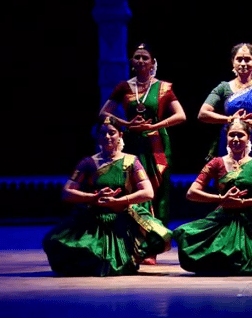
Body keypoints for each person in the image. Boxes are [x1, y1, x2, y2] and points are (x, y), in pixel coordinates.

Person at [42, 116, 172, 276]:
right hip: (94, 218)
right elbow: (66, 192)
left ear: (120, 135)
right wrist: (93, 198)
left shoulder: (131, 161)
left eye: (111, 132)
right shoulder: (88, 163)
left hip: (122, 218)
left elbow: (148, 192)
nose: (107, 137)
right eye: (102, 133)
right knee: (58, 243)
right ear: (97, 137)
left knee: (159, 236)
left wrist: (118, 201)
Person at [172, 119, 252, 275]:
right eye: (232, 135)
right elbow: (192, 193)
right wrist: (221, 198)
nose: (236, 139)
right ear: (226, 137)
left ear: (248, 138)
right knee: (189, 237)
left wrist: (244, 202)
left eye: (240, 135)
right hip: (223, 216)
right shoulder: (216, 163)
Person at [99, 42, 186, 265]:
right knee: (132, 190)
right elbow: (104, 113)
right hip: (132, 145)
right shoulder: (124, 87)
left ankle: (153, 247)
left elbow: (180, 116)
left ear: (152, 62)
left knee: (157, 193)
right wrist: (127, 124)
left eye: (144, 57)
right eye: (136, 57)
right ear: (131, 62)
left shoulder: (163, 87)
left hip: (157, 147)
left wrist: (155, 126)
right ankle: (132, 244)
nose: (140, 60)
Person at [198, 43, 252, 177]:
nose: (243, 63)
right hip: (230, 141)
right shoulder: (223, 87)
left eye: (247, 59)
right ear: (232, 62)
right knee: (229, 180)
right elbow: (203, 113)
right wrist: (230, 119)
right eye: (239, 59)